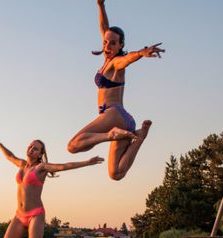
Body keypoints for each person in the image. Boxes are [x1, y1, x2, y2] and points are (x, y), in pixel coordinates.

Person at [66, 0, 165, 180]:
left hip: (114, 114)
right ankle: (140, 136)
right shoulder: (107, 56)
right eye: (105, 42)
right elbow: (104, 27)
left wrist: (141, 53)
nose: (107, 46)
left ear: (120, 46)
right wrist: (100, 5)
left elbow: (127, 60)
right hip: (125, 122)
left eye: (113, 44)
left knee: (73, 145)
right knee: (116, 173)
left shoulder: (116, 63)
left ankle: (110, 135)